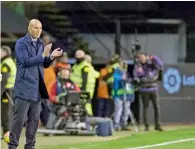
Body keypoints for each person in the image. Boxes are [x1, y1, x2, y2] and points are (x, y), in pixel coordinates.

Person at [8, 19, 63, 149]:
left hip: (37, 89)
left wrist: (51, 57)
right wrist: (43, 54)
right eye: (35, 28)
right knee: (19, 120)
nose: (38, 30)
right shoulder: (21, 43)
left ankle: (30, 146)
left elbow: (43, 64)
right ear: (29, 28)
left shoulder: (40, 43)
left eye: (40, 28)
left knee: (34, 121)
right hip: (23, 88)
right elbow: (25, 61)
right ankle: (12, 146)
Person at [134, 52, 163, 131]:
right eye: (140, 58)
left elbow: (160, 65)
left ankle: (157, 125)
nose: (142, 59)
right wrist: (147, 78)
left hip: (154, 89)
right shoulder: (138, 66)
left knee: (157, 107)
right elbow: (140, 76)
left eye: (143, 57)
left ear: (146, 57)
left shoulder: (152, 64)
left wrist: (154, 57)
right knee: (145, 108)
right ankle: (146, 126)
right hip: (144, 90)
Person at [46, 63, 80, 129]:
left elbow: (78, 93)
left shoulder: (73, 84)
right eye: (63, 70)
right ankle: (51, 126)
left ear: (69, 72)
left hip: (71, 105)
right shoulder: (56, 84)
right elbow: (50, 96)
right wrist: (56, 99)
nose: (65, 72)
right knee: (59, 110)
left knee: (81, 110)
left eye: (66, 70)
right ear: (59, 72)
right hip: (58, 105)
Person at [70, 50, 94, 115]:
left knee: (86, 104)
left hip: (84, 88)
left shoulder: (85, 66)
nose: (77, 58)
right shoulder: (76, 65)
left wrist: (83, 90)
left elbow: (85, 79)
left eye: (79, 57)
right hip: (76, 88)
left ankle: (89, 118)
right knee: (79, 105)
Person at [112, 60, 134, 131]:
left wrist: (131, 95)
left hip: (126, 96)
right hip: (118, 95)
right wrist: (122, 78)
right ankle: (116, 124)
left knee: (126, 110)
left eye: (125, 65)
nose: (124, 66)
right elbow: (117, 81)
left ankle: (124, 124)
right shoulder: (116, 73)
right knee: (118, 111)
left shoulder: (127, 73)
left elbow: (129, 85)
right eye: (122, 64)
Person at [0, 46, 16, 137]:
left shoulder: (5, 64)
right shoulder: (10, 61)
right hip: (10, 89)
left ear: (5, 53)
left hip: (6, 91)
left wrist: (0, 92)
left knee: (5, 113)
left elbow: (4, 80)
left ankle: (7, 133)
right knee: (8, 112)